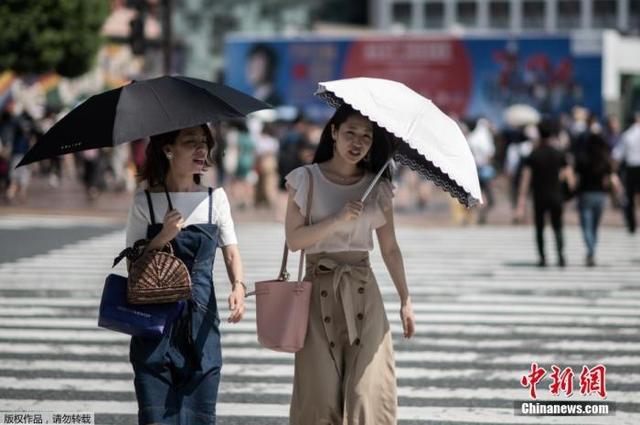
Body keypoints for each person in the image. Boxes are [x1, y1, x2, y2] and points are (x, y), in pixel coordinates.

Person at [284, 104, 416, 424]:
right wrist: (337, 219)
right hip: (317, 294)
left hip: (364, 293)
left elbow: (390, 248)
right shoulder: (306, 179)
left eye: (366, 137)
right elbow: (294, 241)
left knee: (366, 393)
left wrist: (405, 300)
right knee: (320, 395)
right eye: (350, 134)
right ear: (333, 133)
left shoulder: (378, 187)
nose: (357, 143)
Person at [125, 124, 246, 424]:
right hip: (154, 322)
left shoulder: (215, 198)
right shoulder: (145, 201)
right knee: (157, 414)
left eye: (204, 142)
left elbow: (231, 250)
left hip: (202, 321)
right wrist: (163, 237)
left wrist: (239, 287)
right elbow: (133, 264)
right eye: (191, 142)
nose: (201, 149)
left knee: (200, 412)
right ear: (168, 150)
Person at [516, 119, 575, 267]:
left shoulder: (534, 154)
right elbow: (569, 177)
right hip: (556, 195)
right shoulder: (559, 154)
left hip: (539, 196)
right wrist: (570, 192)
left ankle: (543, 258)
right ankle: (561, 256)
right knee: (558, 226)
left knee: (540, 228)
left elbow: (526, 178)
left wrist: (521, 200)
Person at [574, 133, 623, 266]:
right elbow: (612, 178)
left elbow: (576, 178)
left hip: (585, 195)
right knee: (594, 226)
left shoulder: (582, 159)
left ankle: (590, 249)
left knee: (586, 226)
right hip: (600, 196)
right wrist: (618, 191)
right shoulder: (604, 159)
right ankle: (592, 250)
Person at [613, 111, 640, 234]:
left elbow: (618, 154)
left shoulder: (627, 135)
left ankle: (632, 224)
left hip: (631, 169)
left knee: (629, 197)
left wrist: (614, 170)